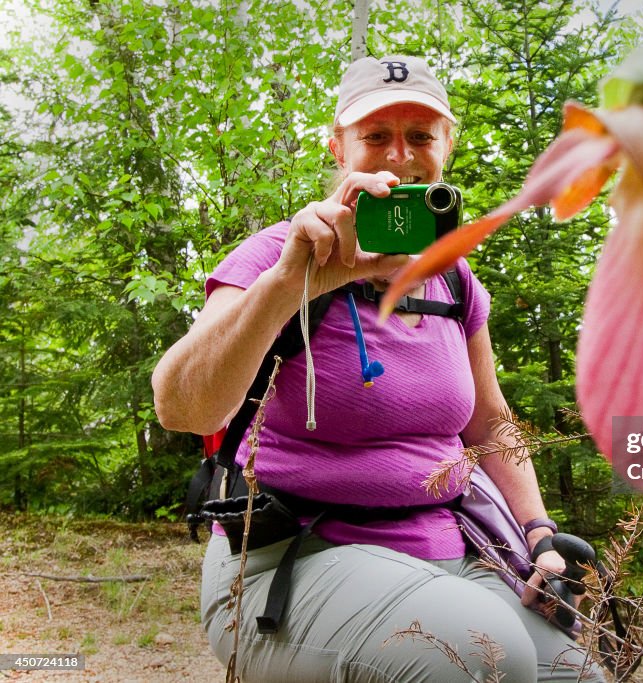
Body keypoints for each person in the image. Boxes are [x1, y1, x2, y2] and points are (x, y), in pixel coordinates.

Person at [152, 55, 604, 683]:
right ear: (337, 147)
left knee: (573, 674)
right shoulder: (277, 257)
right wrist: (292, 282)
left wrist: (540, 534)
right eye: (375, 136)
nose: (399, 155)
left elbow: (491, 421)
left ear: (446, 146)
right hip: (294, 556)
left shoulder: (453, 279)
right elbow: (183, 408)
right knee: (486, 655)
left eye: (420, 135)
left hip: (450, 546)